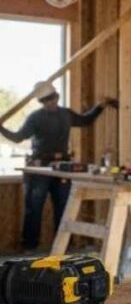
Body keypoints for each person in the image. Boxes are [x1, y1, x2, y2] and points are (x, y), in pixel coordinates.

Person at [0, 81, 117, 250]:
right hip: (39, 166)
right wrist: (2, 129)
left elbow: (86, 121)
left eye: (54, 98)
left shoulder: (66, 114)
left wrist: (101, 106)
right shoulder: (35, 118)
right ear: (41, 102)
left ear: (57, 96)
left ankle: (64, 247)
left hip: (62, 166)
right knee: (34, 208)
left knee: (64, 207)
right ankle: (29, 248)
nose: (52, 102)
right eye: (47, 100)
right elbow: (18, 137)